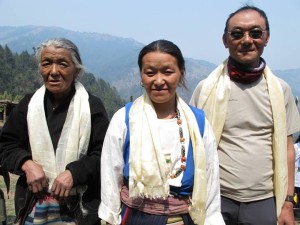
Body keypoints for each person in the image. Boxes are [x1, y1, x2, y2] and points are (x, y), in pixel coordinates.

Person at [190, 5, 300, 225]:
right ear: (225, 40)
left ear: (266, 38)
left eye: (256, 33)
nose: (247, 40)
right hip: (215, 197)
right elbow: (192, 142)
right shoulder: (206, 89)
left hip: (264, 200)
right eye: (237, 33)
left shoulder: (281, 90)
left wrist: (288, 202)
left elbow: (288, 148)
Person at [98, 39, 225, 225]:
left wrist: (212, 220)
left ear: (181, 74)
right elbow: (110, 173)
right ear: (141, 76)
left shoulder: (197, 122)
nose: (158, 81)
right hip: (134, 216)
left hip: (182, 219)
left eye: (167, 72)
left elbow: (211, 177)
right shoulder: (125, 118)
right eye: (150, 73)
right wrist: (110, 217)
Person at [0, 38, 109, 225]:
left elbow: (105, 155)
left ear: (77, 70)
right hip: (33, 203)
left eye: (63, 64)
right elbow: (6, 145)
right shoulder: (29, 106)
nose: (54, 72)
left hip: (79, 210)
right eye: (47, 63)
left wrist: (74, 173)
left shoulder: (91, 107)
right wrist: (26, 164)